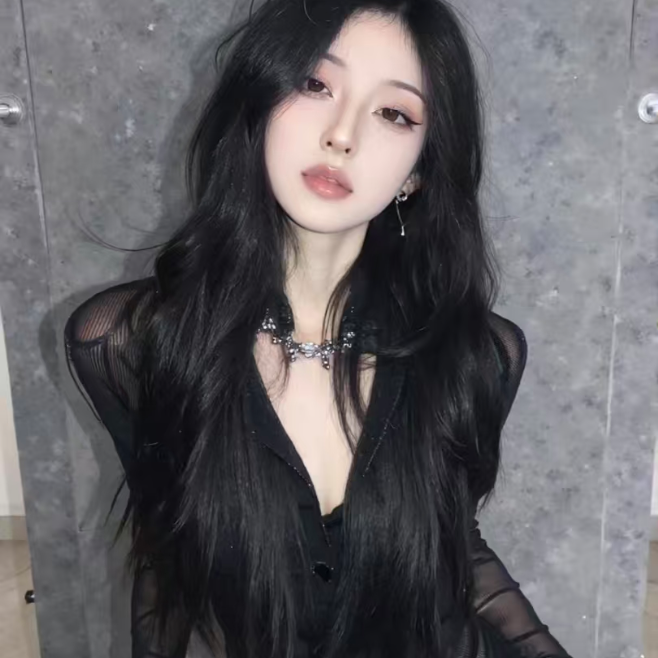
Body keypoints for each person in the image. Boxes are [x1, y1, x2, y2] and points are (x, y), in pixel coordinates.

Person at [64, 1, 572, 657]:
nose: (342, 135)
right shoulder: (134, 341)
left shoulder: (477, 353)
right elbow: (169, 561)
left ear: (418, 170)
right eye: (314, 83)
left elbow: (454, 546)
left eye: (394, 113)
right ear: (260, 100)